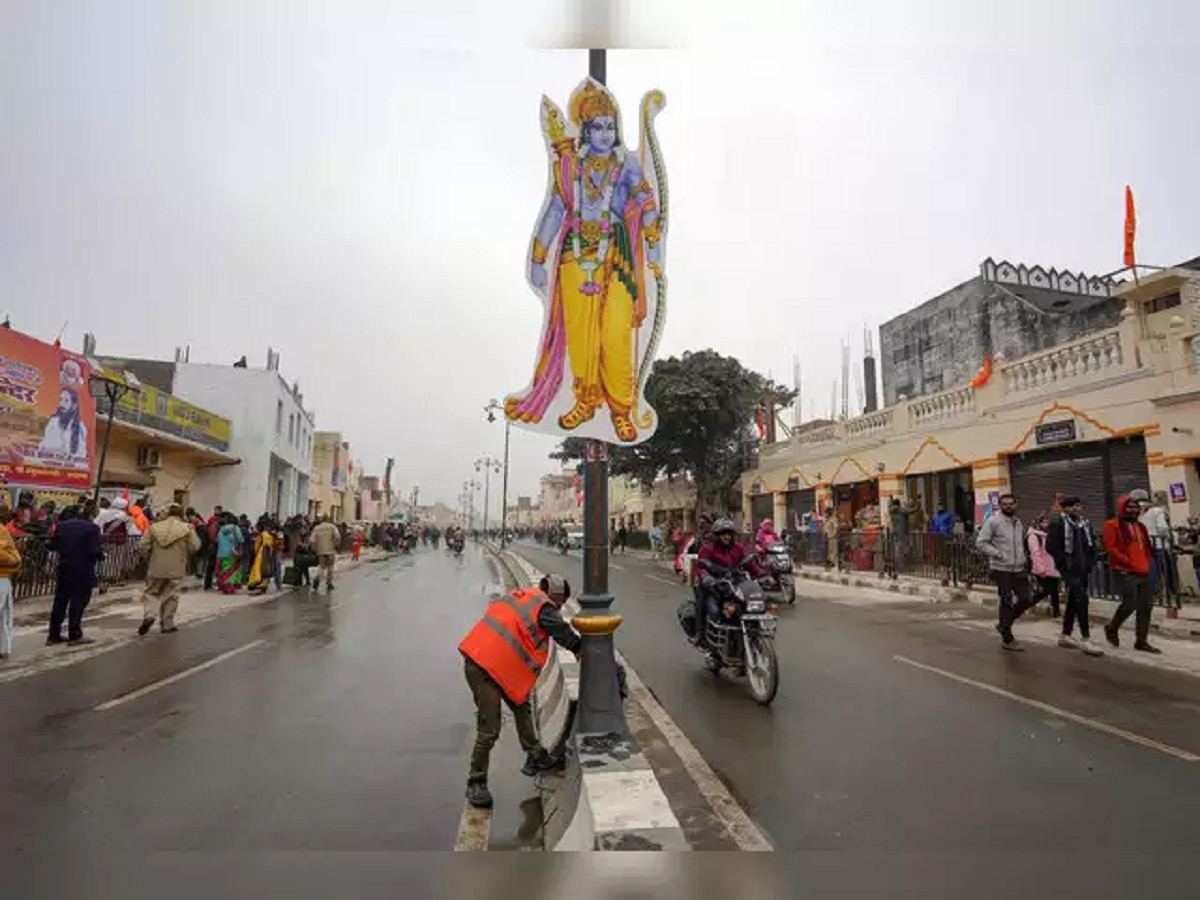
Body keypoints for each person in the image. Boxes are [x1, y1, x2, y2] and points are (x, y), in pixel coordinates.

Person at [504, 78, 664, 444]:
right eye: (598, 127)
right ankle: (586, 400)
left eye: (611, 127)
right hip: (576, 257)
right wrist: (539, 256)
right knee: (582, 338)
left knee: (616, 334)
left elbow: (646, 201)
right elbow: (555, 210)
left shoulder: (625, 167)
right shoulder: (569, 169)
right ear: (585, 130)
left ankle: (621, 410)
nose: (606, 134)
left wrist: (652, 229)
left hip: (618, 258)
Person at [458, 573, 582, 809]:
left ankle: (534, 753)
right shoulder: (543, 607)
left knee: (521, 704)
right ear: (555, 597)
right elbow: (560, 630)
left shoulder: (523, 598)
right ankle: (476, 781)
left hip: (498, 665)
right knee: (489, 728)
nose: (558, 609)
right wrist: (580, 647)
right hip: (483, 667)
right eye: (560, 604)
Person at [695, 518, 764, 664]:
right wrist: (707, 577)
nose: (726, 537)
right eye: (723, 534)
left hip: (733, 585)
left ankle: (750, 641)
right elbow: (701, 567)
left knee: (746, 607)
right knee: (714, 612)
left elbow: (748, 563)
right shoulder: (708, 549)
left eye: (729, 534)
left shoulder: (737, 548)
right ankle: (706, 643)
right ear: (716, 535)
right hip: (714, 587)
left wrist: (763, 574)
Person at [1045, 497, 1102, 656]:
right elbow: (1051, 546)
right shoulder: (1058, 523)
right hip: (1069, 568)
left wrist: (1091, 561)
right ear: (1064, 509)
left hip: (1083, 567)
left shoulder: (1085, 523)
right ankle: (1085, 639)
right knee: (1082, 599)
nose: (1075, 509)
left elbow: (1091, 544)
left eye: (1077, 505)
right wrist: (1063, 561)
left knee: (1074, 600)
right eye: (1071, 506)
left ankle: (1065, 634)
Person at [1102, 494, 1160, 653]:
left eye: (1136, 507)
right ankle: (1112, 627)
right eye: (1130, 507)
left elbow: (1146, 547)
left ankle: (1141, 641)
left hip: (1144, 570)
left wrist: (1148, 563)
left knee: (1146, 606)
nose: (1134, 510)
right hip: (1124, 570)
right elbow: (1110, 548)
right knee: (1130, 603)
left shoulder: (1141, 527)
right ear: (1122, 508)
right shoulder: (1111, 525)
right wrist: (1128, 560)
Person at [975, 493, 1031, 651]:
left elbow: (1020, 543)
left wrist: (1024, 558)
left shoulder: (1018, 523)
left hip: (1018, 567)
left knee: (1026, 599)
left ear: (1016, 505)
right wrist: (998, 554)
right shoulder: (993, 521)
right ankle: (1008, 639)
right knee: (1006, 601)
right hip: (1001, 568)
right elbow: (981, 543)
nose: (1008, 506)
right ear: (1000, 506)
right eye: (1005, 504)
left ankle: (1003, 624)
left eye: (1011, 503)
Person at [137, 503, 201, 635]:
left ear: (167, 513)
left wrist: (149, 557)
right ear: (181, 514)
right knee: (171, 595)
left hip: (156, 566)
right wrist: (185, 552)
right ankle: (167, 624)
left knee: (151, 592)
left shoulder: (154, 527)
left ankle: (150, 615)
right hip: (177, 566)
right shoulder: (187, 528)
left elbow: (142, 546)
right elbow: (195, 547)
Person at [46, 505, 102, 645]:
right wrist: (102, 555)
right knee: (78, 601)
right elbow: (94, 550)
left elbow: (53, 545)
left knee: (60, 601)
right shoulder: (92, 528)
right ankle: (74, 634)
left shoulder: (63, 526)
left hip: (64, 566)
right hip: (82, 569)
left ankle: (54, 634)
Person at [37, 386, 89, 463]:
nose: (62, 404)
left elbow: (81, 455)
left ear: (74, 405)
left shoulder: (80, 427)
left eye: (66, 400)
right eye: (60, 399)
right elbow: (45, 444)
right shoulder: (53, 422)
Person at [1027, 514, 1061, 618]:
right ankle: (1026, 605)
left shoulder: (1049, 534)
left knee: (1054, 591)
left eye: (1047, 522)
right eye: (1043, 522)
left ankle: (1056, 613)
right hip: (1041, 569)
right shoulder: (1034, 536)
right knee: (1045, 591)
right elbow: (1035, 553)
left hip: (1052, 568)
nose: (1046, 524)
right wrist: (1041, 569)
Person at [0, 512, 21, 659]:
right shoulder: (1, 530)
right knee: (4, 614)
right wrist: (13, 560)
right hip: (2, 576)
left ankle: (3, 648)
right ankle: (4, 648)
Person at [215, 513, 245, 594]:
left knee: (224, 569)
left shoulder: (221, 529)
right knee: (231, 570)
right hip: (232, 553)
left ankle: (223, 586)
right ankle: (230, 587)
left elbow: (217, 541)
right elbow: (240, 539)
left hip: (221, 553)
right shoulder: (236, 528)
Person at [247, 515, 277, 595]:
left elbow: (258, 546)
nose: (255, 529)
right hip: (267, 554)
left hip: (261, 554)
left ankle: (256, 583)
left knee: (258, 569)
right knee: (265, 569)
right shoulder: (268, 534)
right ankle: (263, 585)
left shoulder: (262, 535)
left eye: (256, 528)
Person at [310, 515, 340, 592]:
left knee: (322, 567)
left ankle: (317, 579)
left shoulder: (317, 528)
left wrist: (314, 549)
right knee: (330, 567)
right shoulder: (332, 527)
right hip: (330, 550)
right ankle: (329, 583)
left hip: (320, 551)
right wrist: (336, 545)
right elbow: (337, 537)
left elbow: (312, 540)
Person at [203, 505, 223, 590]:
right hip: (216, 546)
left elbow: (207, 532)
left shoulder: (211, 520)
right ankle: (217, 583)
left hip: (210, 546)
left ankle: (207, 584)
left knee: (210, 566)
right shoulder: (218, 522)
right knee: (218, 565)